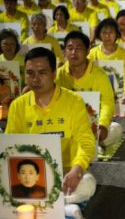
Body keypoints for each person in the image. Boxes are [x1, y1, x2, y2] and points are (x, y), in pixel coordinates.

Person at [5, 48, 96, 219]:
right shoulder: (18, 105)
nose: (35, 79)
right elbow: (11, 148)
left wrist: (77, 169)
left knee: (88, 184)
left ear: (54, 73)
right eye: (30, 73)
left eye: (42, 73)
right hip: (29, 179)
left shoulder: (74, 101)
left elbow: (86, 141)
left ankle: (42, 207)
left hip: (65, 174)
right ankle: (64, 210)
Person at [55, 31, 121, 152]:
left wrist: (102, 125)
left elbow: (107, 102)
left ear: (87, 50)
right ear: (64, 51)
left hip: (93, 125)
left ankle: (94, 143)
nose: (73, 52)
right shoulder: (58, 75)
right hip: (66, 125)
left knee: (116, 128)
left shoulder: (99, 75)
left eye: (78, 48)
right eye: (70, 48)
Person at [88, 18, 125, 114]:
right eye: (104, 33)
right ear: (99, 35)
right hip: (98, 99)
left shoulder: (124, 54)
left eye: (110, 33)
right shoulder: (92, 53)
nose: (107, 36)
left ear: (117, 34)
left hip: (119, 99)